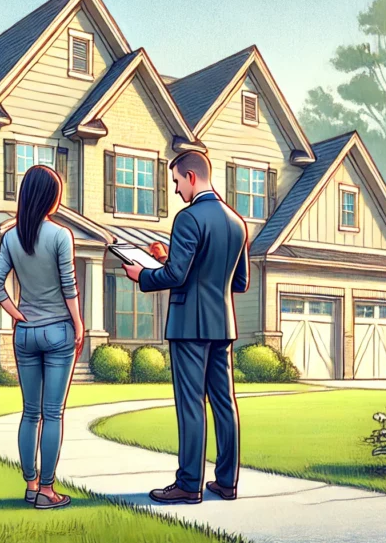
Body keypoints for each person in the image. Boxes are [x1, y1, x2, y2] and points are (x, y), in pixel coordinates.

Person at [122, 151, 249, 505]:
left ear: (192, 177)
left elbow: (177, 275)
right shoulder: (237, 222)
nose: (176, 190)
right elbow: (238, 282)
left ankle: (189, 484)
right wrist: (168, 259)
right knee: (225, 404)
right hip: (222, 325)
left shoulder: (189, 218)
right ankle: (226, 482)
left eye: (177, 181)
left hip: (189, 324)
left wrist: (143, 274)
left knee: (191, 404)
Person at [0, 165, 84, 510]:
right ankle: (47, 489)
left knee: (31, 413)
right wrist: (79, 323)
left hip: (25, 334)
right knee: (53, 413)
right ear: (49, 197)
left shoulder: (11, 237)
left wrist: (16, 314)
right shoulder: (61, 236)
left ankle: (30, 485)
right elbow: (69, 286)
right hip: (58, 329)